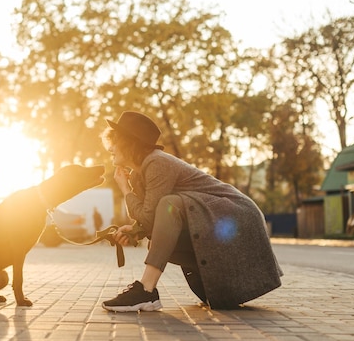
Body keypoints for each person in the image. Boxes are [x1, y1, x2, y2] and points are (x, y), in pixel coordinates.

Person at [101, 110, 283, 312]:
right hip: (212, 218)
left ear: (129, 143)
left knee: (170, 204)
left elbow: (152, 216)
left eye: (115, 140)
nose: (110, 147)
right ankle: (217, 286)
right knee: (159, 231)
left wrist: (125, 190)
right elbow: (151, 219)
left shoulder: (157, 162)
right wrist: (135, 230)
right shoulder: (139, 174)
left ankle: (146, 289)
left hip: (237, 215)